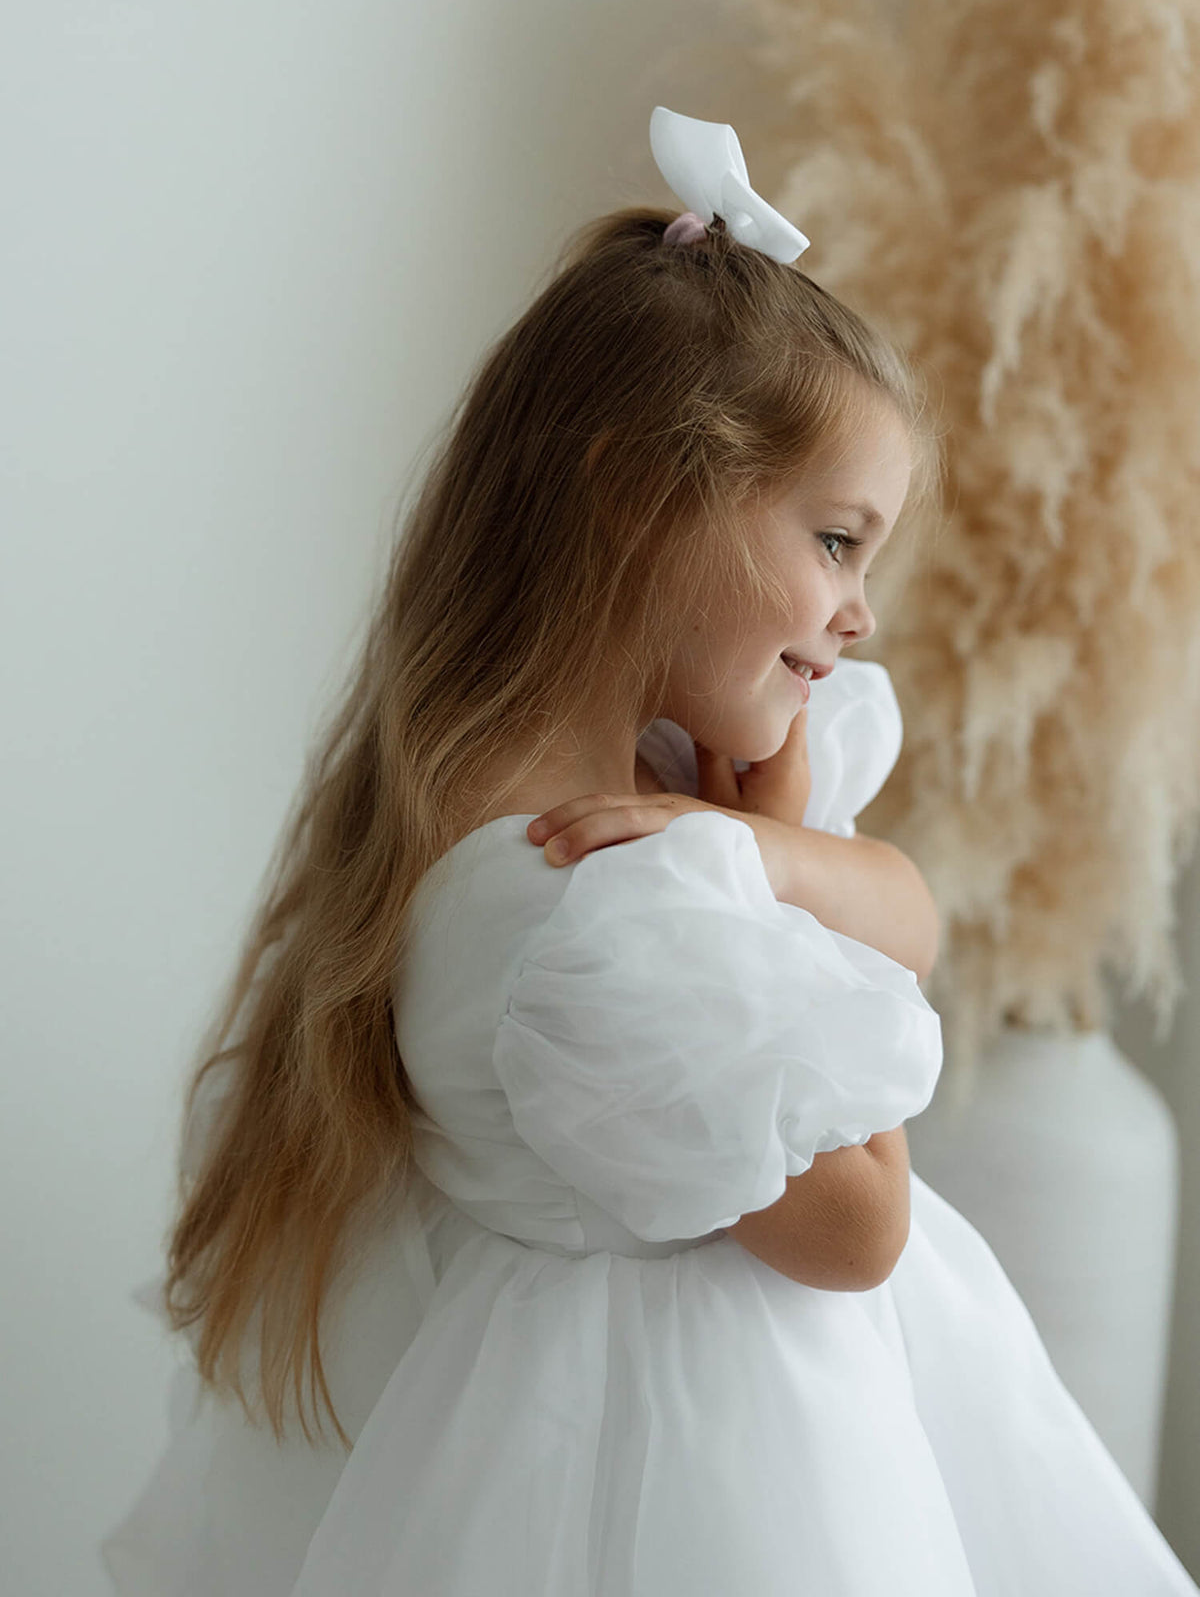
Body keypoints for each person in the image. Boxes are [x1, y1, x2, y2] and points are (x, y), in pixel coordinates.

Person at [101, 109, 1200, 1594]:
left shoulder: (620, 810)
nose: (861, 611)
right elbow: (864, 1229)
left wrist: (770, 852)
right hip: (701, 1484)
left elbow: (912, 917)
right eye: (834, 540)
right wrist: (762, 883)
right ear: (643, 498)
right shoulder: (609, 915)